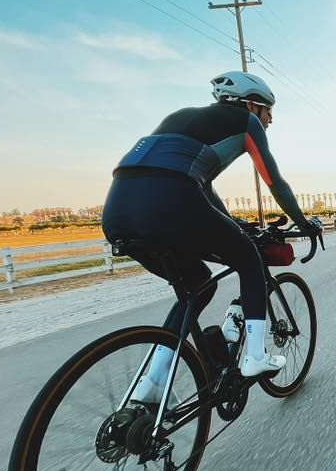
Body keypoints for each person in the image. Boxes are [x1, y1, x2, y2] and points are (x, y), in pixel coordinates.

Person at [102, 71, 320, 403]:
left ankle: (153, 381)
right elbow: (273, 180)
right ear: (250, 104)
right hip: (171, 197)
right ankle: (256, 357)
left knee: (196, 287)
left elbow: (199, 185)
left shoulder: (178, 117)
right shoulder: (247, 123)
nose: (270, 118)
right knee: (248, 258)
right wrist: (303, 221)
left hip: (118, 207)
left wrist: (232, 224)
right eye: (268, 110)